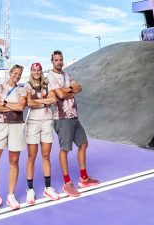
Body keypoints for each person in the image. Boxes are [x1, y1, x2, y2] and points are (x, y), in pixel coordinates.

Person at [47, 50, 99, 197]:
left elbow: (79, 88)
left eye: (61, 59)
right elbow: (61, 95)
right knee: (65, 149)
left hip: (74, 116)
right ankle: (67, 183)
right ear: (52, 61)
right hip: (62, 118)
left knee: (83, 144)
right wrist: (70, 91)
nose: (59, 62)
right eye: (56, 60)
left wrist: (67, 90)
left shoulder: (66, 75)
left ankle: (83, 178)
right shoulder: (51, 77)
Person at [0, 64, 27, 216]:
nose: (17, 75)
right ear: (10, 73)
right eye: (15, 73)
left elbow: (21, 107)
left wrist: (5, 104)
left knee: (14, 161)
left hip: (16, 127)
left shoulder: (22, 89)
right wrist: (11, 106)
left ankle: (11, 195)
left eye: (19, 74)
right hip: (0, 127)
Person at [24, 62, 59, 205]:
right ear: (31, 71)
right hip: (33, 122)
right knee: (31, 156)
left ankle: (48, 187)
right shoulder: (27, 85)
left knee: (46, 155)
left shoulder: (47, 83)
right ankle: (30, 189)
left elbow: (53, 99)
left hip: (47, 122)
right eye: (34, 70)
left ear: (41, 71)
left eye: (38, 70)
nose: (36, 72)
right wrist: (45, 103)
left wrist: (39, 101)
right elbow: (29, 103)